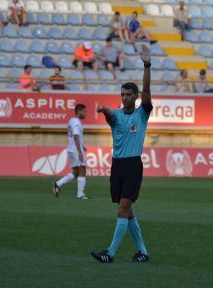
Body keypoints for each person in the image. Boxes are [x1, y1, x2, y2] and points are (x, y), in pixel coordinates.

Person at [91, 44, 153, 263]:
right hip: (117, 166)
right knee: (128, 211)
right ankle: (143, 252)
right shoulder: (116, 115)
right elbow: (110, 116)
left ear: (136, 97)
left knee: (123, 209)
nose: (124, 97)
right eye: (122, 94)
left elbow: (147, 92)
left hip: (133, 166)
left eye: (128, 94)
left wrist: (147, 65)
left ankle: (110, 253)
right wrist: (105, 111)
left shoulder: (142, 114)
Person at [53, 104, 90, 200]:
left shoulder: (71, 121)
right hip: (75, 150)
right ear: (79, 112)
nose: (86, 113)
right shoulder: (77, 122)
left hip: (70, 149)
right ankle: (80, 194)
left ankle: (57, 184)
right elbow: (76, 135)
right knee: (82, 170)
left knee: (75, 172)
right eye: (84, 111)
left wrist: (82, 146)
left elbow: (74, 135)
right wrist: (80, 151)